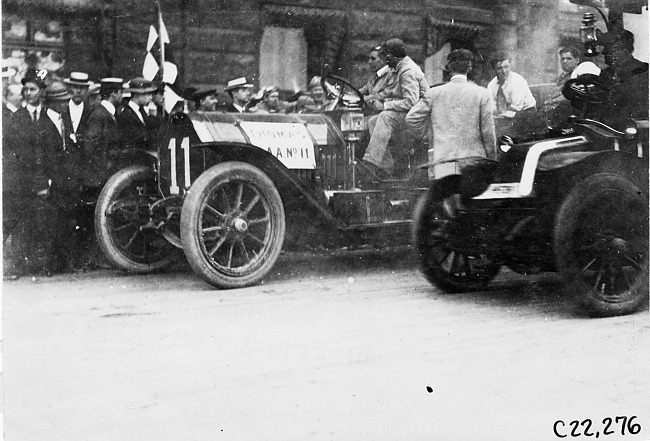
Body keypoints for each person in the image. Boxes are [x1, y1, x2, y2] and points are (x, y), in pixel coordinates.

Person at [405, 49, 496, 213]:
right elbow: (488, 133)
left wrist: (429, 134)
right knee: (473, 211)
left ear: (449, 67)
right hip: (473, 167)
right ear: (470, 67)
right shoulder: (482, 94)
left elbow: (411, 119)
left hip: (443, 166)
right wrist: (492, 160)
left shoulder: (434, 93)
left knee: (446, 210)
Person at [3, 69, 61, 277]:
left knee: (44, 222)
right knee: (20, 223)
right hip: (20, 181)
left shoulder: (49, 119)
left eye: (33, 89)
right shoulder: (15, 119)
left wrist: (51, 179)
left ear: (42, 92)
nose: (28, 93)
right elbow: (9, 152)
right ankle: (18, 266)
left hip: (43, 180)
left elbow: (53, 152)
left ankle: (43, 265)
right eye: (26, 89)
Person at [361, 37, 429, 178]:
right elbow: (391, 92)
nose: (385, 60)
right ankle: (384, 168)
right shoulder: (398, 68)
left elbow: (411, 101)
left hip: (418, 117)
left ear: (393, 56)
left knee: (386, 117)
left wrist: (384, 105)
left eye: (386, 56)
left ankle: (370, 165)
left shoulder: (407, 71)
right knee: (373, 121)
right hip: (411, 114)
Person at [597, 29, 649, 127]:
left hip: (631, 126)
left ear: (624, 50)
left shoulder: (642, 70)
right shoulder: (605, 73)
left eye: (609, 49)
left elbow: (637, 105)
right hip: (606, 124)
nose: (603, 53)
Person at [487, 53, 536, 118]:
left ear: (510, 66)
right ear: (494, 70)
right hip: (504, 115)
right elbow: (491, 105)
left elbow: (516, 107)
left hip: (525, 113)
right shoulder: (492, 85)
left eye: (506, 67)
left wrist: (500, 115)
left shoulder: (517, 80)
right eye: (499, 68)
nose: (504, 71)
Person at [116, 77, 158, 151]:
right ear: (136, 95)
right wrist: (152, 117)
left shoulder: (142, 112)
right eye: (147, 94)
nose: (151, 97)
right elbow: (141, 138)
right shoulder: (126, 115)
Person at [358, 44, 396, 112]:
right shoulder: (376, 75)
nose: (369, 62)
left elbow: (385, 95)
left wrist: (365, 98)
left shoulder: (391, 75)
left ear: (383, 60)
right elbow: (364, 90)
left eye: (373, 59)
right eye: (369, 58)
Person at [62, 71, 93, 150]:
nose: (78, 91)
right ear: (69, 88)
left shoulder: (91, 111)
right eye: (75, 87)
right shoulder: (62, 109)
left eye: (82, 88)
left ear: (87, 90)